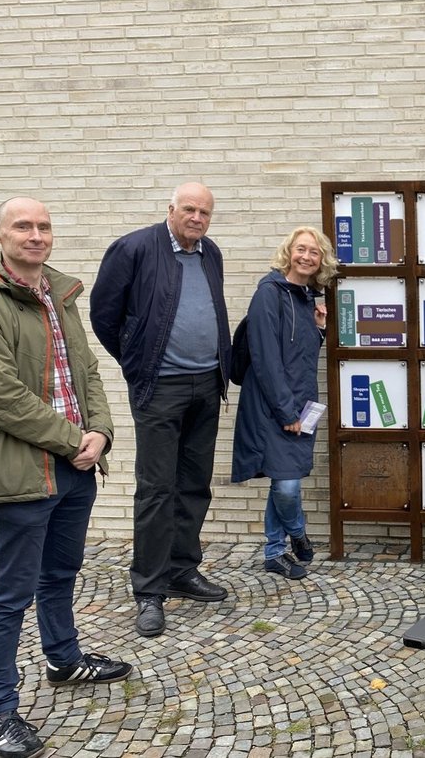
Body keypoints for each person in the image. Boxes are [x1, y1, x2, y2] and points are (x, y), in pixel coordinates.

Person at [0, 197, 133, 758]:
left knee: (60, 572)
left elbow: (88, 373)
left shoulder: (60, 295)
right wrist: (73, 440)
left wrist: (100, 432)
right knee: (10, 592)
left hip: (75, 466)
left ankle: (63, 658)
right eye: (23, 226)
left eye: (44, 226)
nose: (36, 235)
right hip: (20, 467)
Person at [90, 182, 231, 638]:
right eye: (189, 209)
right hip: (160, 387)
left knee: (194, 484)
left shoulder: (210, 253)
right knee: (156, 488)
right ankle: (149, 589)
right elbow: (103, 314)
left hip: (207, 383)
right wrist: (138, 362)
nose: (197, 218)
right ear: (170, 209)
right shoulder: (133, 248)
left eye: (204, 212)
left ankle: (182, 570)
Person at [231, 227, 334, 580]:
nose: (306, 256)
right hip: (272, 407)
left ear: (321, 261)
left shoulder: (307, 299)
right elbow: (266, 358)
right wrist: (286, 411)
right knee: (286, 484)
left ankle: (275, 553)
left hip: (301, 403)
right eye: (300, 249)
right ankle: (298, 534)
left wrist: (319, 330)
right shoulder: (268, 295)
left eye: (314, 252)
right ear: (288, 252)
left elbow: (300, 357)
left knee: (284, 479)